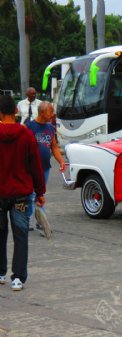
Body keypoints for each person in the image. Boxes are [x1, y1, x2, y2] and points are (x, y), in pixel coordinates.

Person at [0, 95, 46, 291]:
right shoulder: (26, 134)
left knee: (0, 234)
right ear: (16, 111)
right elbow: (36, 165)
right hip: (21, 194)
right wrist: (40, 191)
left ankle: (0, 273)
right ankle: (18, 278)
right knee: (21, 236)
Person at [26, 102, 66, 231]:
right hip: (31, 168)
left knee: (40, 193)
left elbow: (54, 146)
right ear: (42, 113)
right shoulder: (30, 127)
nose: (53, 114)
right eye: (50, 111)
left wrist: (61, 161)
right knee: (31, 194)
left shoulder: (50, 128)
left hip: (45, 167)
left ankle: (35, 221)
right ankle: (33, 221)